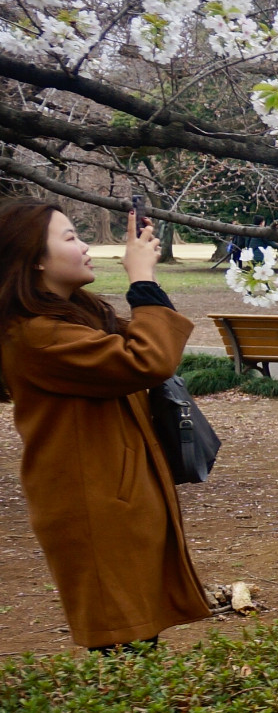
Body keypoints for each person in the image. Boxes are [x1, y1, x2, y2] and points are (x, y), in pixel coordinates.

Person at [0, 203, 209, 649]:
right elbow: (148, 359)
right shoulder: (36, 336)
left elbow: (143, 344)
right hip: (93, 507)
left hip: (117, 495)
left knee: (137, 638)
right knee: (126, 641)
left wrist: (144, 269)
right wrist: (142, 279)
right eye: (71, 237)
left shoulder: (73, 318)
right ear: (36, 257)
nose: (86, 246)